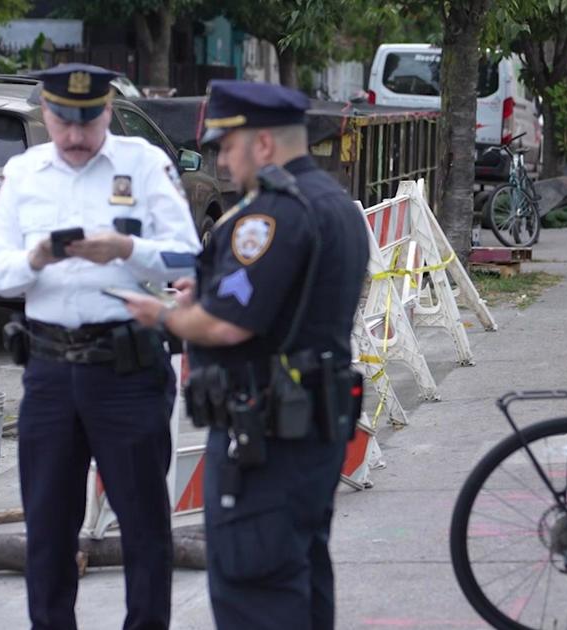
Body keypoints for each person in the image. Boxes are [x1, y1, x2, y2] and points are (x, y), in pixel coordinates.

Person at [122, 80, 369, 630]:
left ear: (261, 144)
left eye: (227, 147)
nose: (223, 162)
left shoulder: (270, 215)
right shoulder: (335, 203)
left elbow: (227, 325)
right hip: (313, 431)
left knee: (252, 588)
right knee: (301, 577)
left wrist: (161, 314)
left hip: (266, 439)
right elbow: (290, 306)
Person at [0, 63, 201, 630]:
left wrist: (127, 250)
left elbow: (187, 257)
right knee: (49, 530)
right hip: (49, 371)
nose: (75, 136)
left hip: (127, 368)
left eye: (87, 121)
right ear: (45, 113)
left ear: (107, 110)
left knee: (145, 527)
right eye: (63, 122)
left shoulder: (144, 164)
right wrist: (36, 259)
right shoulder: (23, 172)